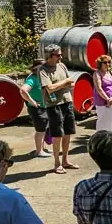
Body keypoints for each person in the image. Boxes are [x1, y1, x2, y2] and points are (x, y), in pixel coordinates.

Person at [38, 43, 80, 174]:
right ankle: (57, 163)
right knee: (57, 135)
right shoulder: (43, 70)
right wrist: (64, 83)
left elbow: (71, 83)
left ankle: (65, 161)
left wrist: (62, 85)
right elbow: (49, 89)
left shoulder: (62, 66)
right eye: (58, 55)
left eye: (61, 54)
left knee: (68, 133)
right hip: (54, 105)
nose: (61, 57)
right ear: (50, 56)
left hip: (67, 102)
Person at [20, 59, 52, 158]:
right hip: (37, 109)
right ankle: (39, 151)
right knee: (40, 130)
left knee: (43, 129)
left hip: (44, 106)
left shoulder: (41, 77)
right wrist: (32, 101)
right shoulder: (32, 79)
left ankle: (42, 148)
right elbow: (23, 90)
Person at [92, 55, 112, 133]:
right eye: (105, 62)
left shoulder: (111, 73)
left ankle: (111, 140)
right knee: (103, 122)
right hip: (102, 102)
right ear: (100, 63)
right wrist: (107, 99)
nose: (107, 64)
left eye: (109, 62)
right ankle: (101, 140)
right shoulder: (97, 73)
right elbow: (99, 88)